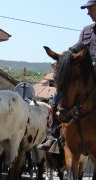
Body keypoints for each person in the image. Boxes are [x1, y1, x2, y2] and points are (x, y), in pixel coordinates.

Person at [39, 0, 96, 151]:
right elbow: (75, 49)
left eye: (90, 8)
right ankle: (53, 134)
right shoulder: (86, 30)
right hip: (83, 74)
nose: (88, 12)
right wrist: (63, 60)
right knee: (61, 92)